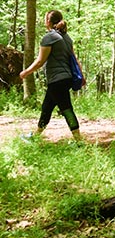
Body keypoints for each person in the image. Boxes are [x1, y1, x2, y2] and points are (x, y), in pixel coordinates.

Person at [19, 10, 82, 141]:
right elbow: (75, 59)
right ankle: (36, 136)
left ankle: (79, 139)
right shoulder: (66, 37)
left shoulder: (49, 37)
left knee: (66, 108)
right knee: (47, 107)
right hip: (64, 79)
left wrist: (26, 72)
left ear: (48, 21)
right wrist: (81, 76)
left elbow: (40, 61)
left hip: (57, 79)